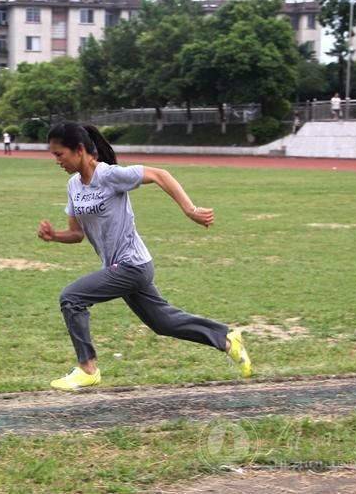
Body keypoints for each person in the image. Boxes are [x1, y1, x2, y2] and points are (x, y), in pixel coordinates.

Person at [37, 122, 252, 391]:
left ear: (79, 150)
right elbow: (76, 233)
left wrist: (190, 210)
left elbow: (160, 174)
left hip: (132, 265)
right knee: (163, 322)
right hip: (121, 268)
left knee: (71, 298)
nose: (56, 161)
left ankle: (87, 368)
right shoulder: (73, 186)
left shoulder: (109, 175)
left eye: (60, 154)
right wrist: (54, 236)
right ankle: (226, 339)